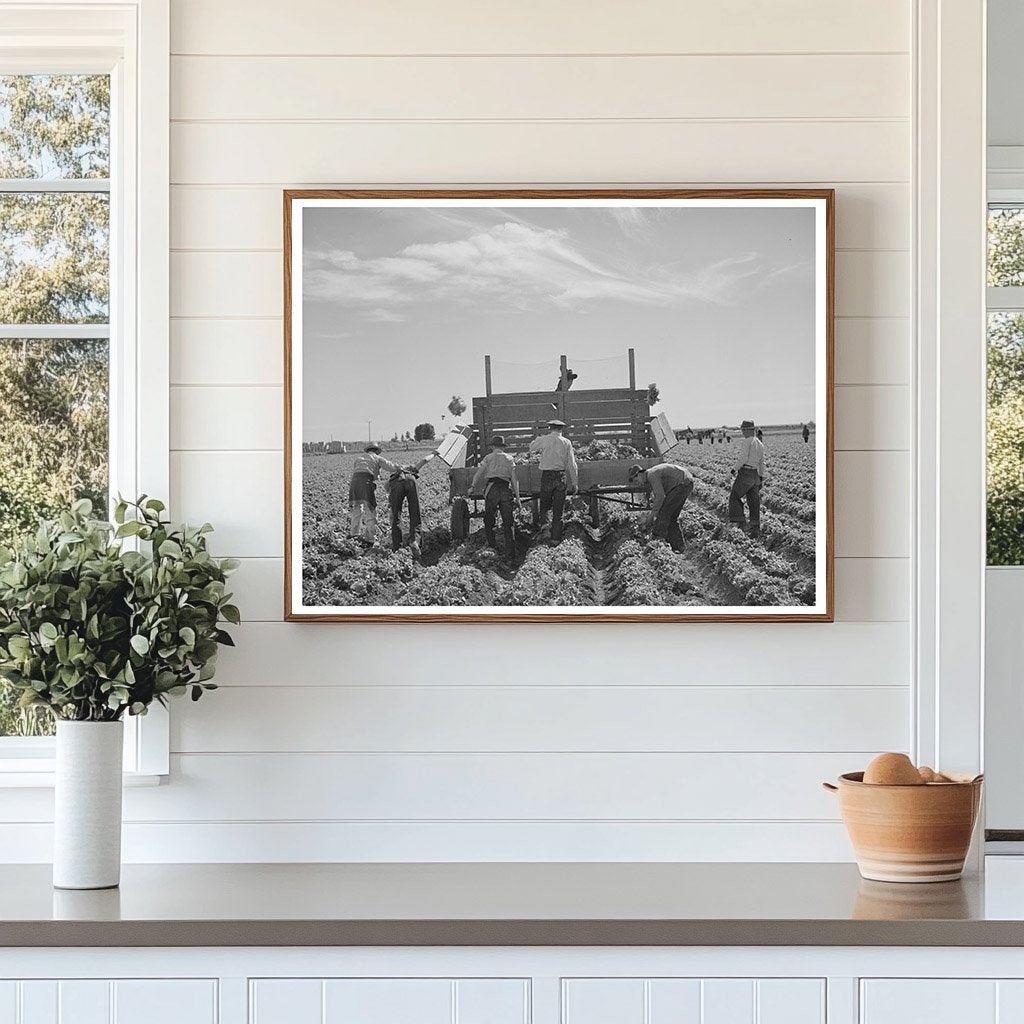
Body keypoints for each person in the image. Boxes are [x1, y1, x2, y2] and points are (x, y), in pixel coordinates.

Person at [470, 435, 522, 560]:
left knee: (489, 519)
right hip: (505, 489)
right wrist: (518, 497)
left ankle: (491, 547)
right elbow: (514, 479)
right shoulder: (509, 458)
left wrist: (472, 486)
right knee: (508, 522)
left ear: (492, 446)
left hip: (492, 489)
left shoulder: (488, 458)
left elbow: (479, 473)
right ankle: (511, 554)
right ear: (502, 447)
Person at [529, 419, 578, 543]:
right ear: (561, 429)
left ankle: (545, 530)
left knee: (545, 505)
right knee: (558, 509)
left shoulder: (545, 439)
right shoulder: (567, 442)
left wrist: (539, 438)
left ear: (550, 428)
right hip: (561, 476)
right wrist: (575, 482)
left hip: (547, 476)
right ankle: (556, 539)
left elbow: (532, 447)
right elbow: (572, 464)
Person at [628, 462, 694, 554]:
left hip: (682, 484)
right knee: (671, 517)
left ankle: (657, 542)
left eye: (636, 480)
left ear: (639, 474)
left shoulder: (651, 475)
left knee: (663, 513)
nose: (638, 483)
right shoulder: (651, 474)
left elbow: (660, 497)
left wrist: (651, 517)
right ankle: (679, 547)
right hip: (686, 482)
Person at [348, 443, 399, 544]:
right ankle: (370, 539)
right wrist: (401, 468)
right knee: (370, 511)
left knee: (356, 510)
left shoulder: (359, 458)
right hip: (366, 483)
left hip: (354, 484)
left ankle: (354, 534)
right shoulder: (377, 458)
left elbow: (355, 472)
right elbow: (391, 467)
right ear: (376, 451)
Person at [387, 454, 432, 557]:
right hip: (411, 481)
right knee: (415, 512)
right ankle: (415, 541)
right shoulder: (412, 468)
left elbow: (387, 486)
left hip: (396, 484)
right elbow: (424, 460)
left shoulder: (394, 474)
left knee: (396, 516)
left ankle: (397, 547)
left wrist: (391, 501)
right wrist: (434, 453)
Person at [729, 419, 766, 539]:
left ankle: (741, 522)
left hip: (745, 473)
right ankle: (755, 529)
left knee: (734, 496)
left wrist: (732, 471)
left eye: (742, 429)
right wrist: (761, 477)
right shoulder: (760, 443)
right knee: (754, 502)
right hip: (755, 474)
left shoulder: (747, 442)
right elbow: (762, 463)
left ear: (747, 430)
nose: (742, 432)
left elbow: (743, 459)